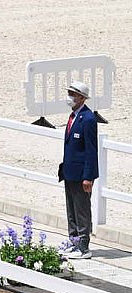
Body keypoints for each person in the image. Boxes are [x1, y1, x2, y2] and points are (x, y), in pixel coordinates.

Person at [60, 81, 98, 259]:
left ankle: (83, 247)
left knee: (82, 210)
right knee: (71, 209)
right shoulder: (73, 116)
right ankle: (73, 241)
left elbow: (91, 150)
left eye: (73, 94)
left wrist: (88, 177)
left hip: (82, 174)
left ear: (82, 98)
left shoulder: (88, 119)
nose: (70, 97)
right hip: (70, 172)